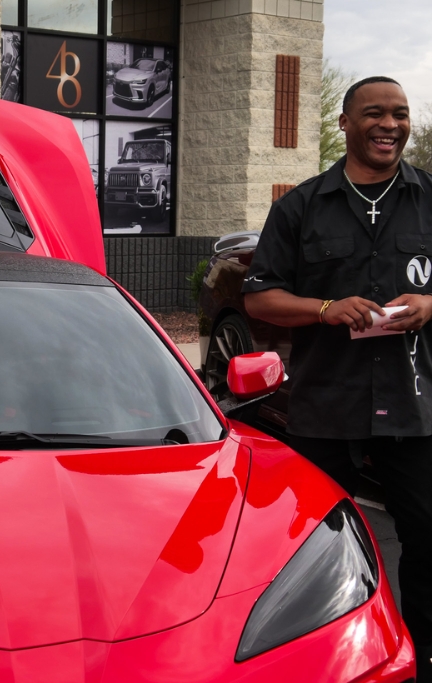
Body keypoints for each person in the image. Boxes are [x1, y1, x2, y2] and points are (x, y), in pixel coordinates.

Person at [243, 76, 432, 681]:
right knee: (315, 549)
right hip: (325, 407)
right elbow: (260, 299)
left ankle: (420, 657)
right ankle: (326, 659)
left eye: (400, 114)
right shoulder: (300, 206)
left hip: (415, 408)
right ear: (345, 123)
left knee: (426, 544)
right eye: (374, 113)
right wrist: (323, 309)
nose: (390, 125)